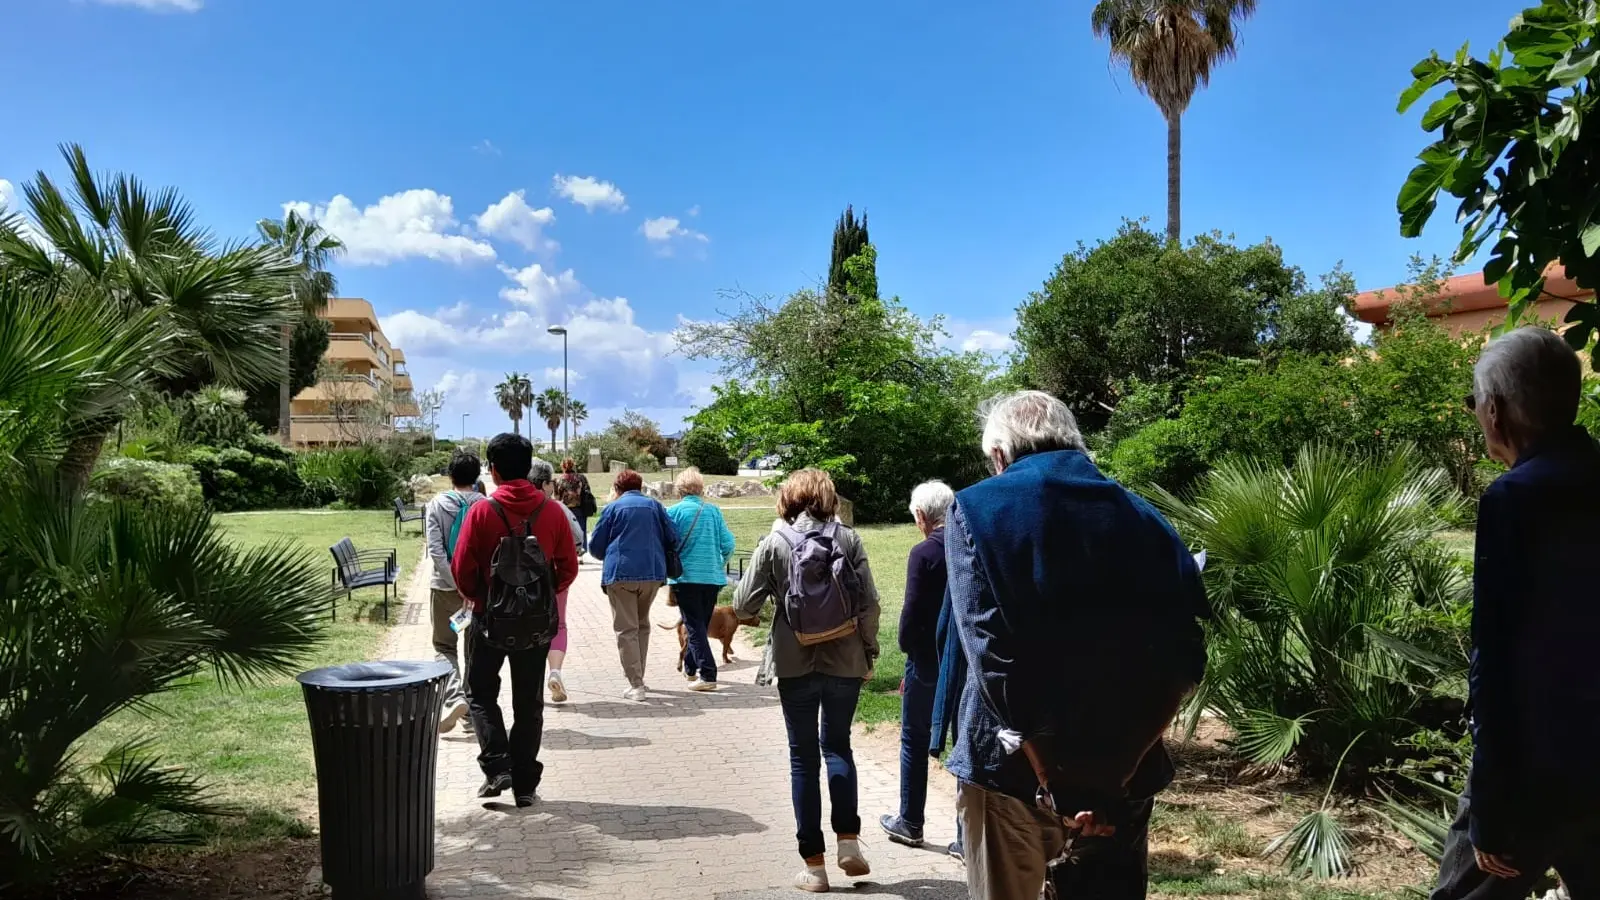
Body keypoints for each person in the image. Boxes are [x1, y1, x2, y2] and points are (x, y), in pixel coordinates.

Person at [947, 391, 1208, 900]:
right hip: (1123, 782)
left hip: (1011, 771)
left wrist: (1056, 777)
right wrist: (1118, 770)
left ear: (1000, 455)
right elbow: (1186, 657)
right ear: (1075, 441)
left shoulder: (975, 509)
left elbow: (993, 658)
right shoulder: (1146, 517)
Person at [1431, 327, 1600, 900]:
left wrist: (1490, 808)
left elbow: (1499, 657)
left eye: (1475, 403)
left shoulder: (1516, 499)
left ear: (1496, 411)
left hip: (1534, 774)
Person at [735, 468, 881, 893]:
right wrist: (868, 651)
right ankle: (849, 841)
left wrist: (771, 605)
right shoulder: (848, 538)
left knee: (803, 758)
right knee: (838, 747)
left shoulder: (776, 540)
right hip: (845, 658)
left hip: (793, 661)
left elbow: (743, 603)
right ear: (828, 498)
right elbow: (869, 603)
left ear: (787, 499)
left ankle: (814, 868)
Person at [450, 433, 580, 806]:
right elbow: (568, 568)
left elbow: (462, 569)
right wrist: (543, 595)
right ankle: (525, 784)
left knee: (479, 692)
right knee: (529, 702)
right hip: (536, 624)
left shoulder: (481, 512)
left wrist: (481, 598)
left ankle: (497, 765)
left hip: (489, 621)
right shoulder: (553, 512)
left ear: (492, 470)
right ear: (529, 466)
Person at [880, 480, 954, 849]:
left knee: (914, 737)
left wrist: (906, 648)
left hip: (926, 659)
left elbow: (911, 612)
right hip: (964, 661)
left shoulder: (924, 553)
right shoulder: (969, 545)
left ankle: (910, 820)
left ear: (922, 516)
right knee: (962, 744)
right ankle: (964, 836)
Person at [588, 469, 676, 702]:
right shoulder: (655, 506)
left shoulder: (613, 508)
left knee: (626, 629)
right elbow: (672, 537)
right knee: (641, 625)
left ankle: (636, 683)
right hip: (652, 573)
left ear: (617, 488)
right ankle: (639, 677)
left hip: (621, 573)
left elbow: (595, 546)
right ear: (640, 486)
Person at [423, 450, 486, 734]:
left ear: (450, 476)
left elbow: (436, 550)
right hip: (478, 592)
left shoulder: (436, 505)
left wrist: (454, 580)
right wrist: (470, 584)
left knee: (444, 646)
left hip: (444, 588)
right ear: (477, 477)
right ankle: (472, 714)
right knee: (473, 650)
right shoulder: (486, 505)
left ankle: (454, 696)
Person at [666, 466, 738, 691]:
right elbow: (729, 544)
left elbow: (667, 544)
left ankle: (708, 674)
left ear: (680, 489)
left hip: (685, 578)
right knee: (700, 623)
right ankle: (690, 667)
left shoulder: (673, 512)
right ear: (700, 488)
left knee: (694, 625)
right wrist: (719, 563)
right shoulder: (714, 511)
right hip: (712, 578)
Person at [529, 458, 586, 704]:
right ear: (545, 484)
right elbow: (578, 537)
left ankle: (531, 681)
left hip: (516, 581)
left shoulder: (509, 506)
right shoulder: (556, 509)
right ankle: (555, 671)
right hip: (551, 576)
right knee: (558, 625)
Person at [559, 457, 597, 554]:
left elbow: (557, 496)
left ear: (562, 466)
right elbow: (588, 491)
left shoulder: (560, 480)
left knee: (567, 532)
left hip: (565, 510)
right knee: (581, 531)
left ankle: (569, 552)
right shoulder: (581, 478)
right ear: (573, 465)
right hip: (580, 509)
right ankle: (581, 552)